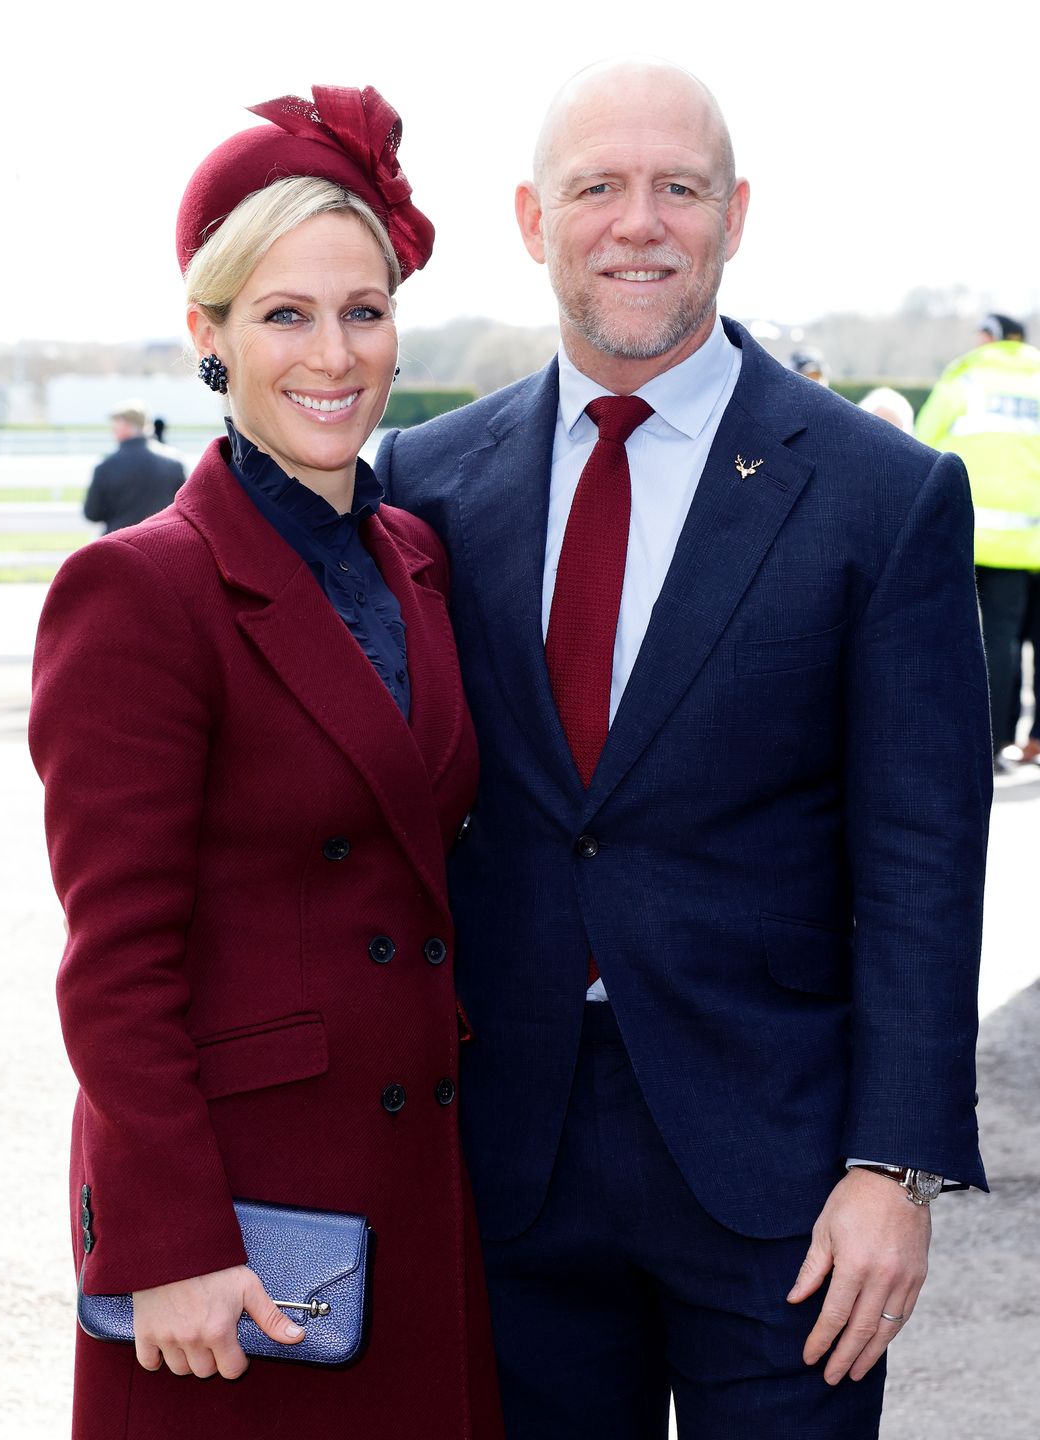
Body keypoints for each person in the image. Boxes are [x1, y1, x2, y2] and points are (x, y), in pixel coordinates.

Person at [375, 59, 991, 1438]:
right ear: (534, 220)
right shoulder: (426, 483)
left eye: (679, 188)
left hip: (782, 1176)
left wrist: (895, 1165)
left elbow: (924, 856)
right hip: (502, 1158)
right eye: (598, 187)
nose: (637, 222)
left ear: (736, 215)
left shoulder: (882, 495)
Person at [29, 85, 503, 1440]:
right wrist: (167, 1240)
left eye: (364, 310)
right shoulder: (139, 590)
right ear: (211, 338)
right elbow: (114, 962)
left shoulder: (412, 558)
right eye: (285, 315)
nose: (333, 353)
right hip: (239, 1232)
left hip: (413, 1192)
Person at [915, 313, 1040, 768]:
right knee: (1004, 642)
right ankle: (998, 742)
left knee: (949, 638)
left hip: (960, 535)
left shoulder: (965, 374)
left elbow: (922, 445)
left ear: (988, 338)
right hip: (1023, 542)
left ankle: (963, 740)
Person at [83, 400, 187, 532]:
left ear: (125, 426)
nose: (113, 429)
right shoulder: (174, 462)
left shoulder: (106, 466)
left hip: (120, 543)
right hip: (164, 542)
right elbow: (183, 506)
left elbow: (92, 513)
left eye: (115, 424)